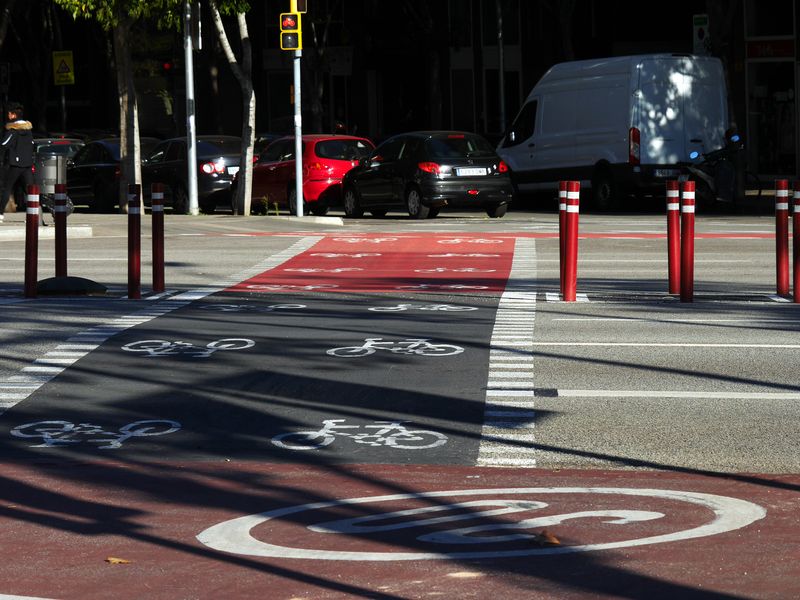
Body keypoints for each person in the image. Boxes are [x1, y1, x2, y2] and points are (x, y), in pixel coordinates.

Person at [0, 101, 37, 224]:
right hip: (27, 165)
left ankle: (0, 215)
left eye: (9, 113)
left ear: (13, 115)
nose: (8, 115)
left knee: (7, 188)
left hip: (15, 165)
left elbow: (4, 144)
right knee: (30, 190)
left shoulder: (13, 130)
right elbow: (32, 145)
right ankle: (35, 216)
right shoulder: (29, 130)